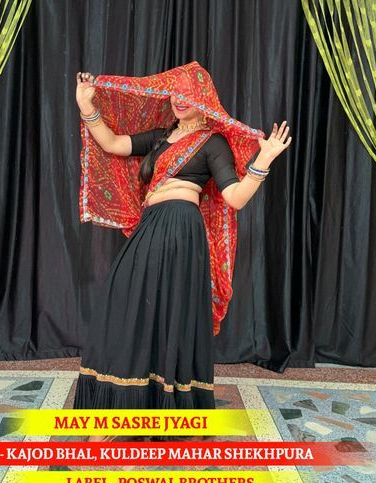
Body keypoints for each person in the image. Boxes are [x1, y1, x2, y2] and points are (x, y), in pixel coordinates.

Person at [72, 62, 291, 440]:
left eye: (188, 94)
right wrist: (86, 106)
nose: (180, 100)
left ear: (203, 98)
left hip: (180, 229)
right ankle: (124, 406)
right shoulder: (162, 137)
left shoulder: (212, 143)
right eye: (175, 93)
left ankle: (145, 414)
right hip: (151, 225)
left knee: (167, 313)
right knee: (126, 306)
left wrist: (264, 159)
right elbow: (112, 144)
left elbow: (235, 198)